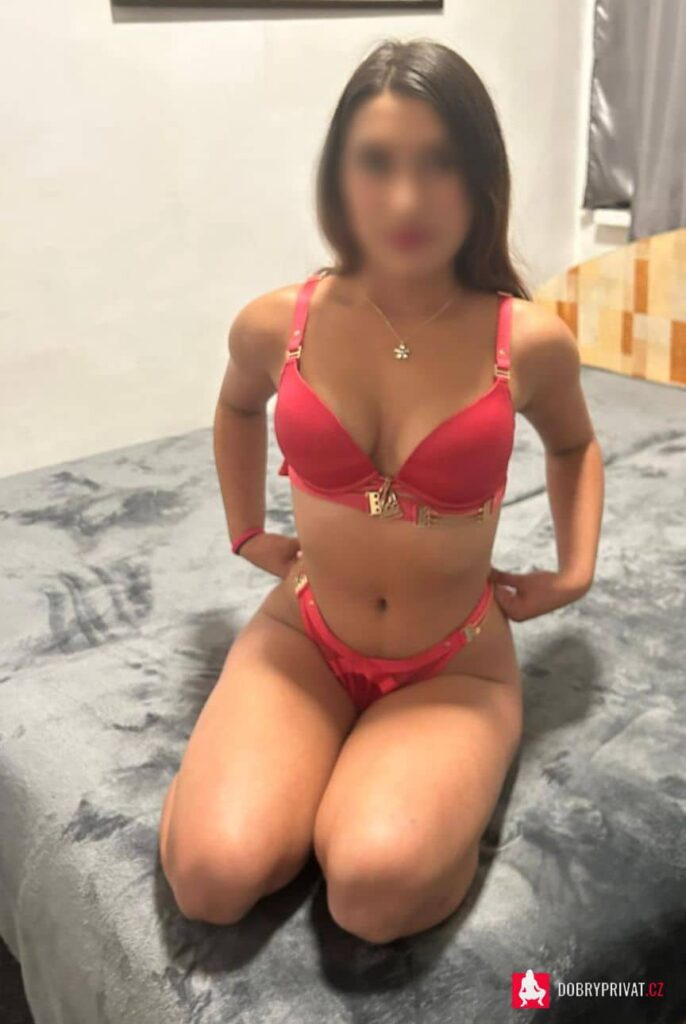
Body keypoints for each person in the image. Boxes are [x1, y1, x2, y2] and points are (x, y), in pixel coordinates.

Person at [158, 37, 604, 944]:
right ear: (339, 175)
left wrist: (574, 572)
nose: (406, 198)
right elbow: (236, 407)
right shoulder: (275, 323)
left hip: (456, 661)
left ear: (481, 178)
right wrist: (246, 531)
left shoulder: (529, 340)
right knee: (211, 878)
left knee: (370, 891)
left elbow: (575, 445)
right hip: (306, 636)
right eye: (377, 161)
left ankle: (384, 797)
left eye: (439, 163)